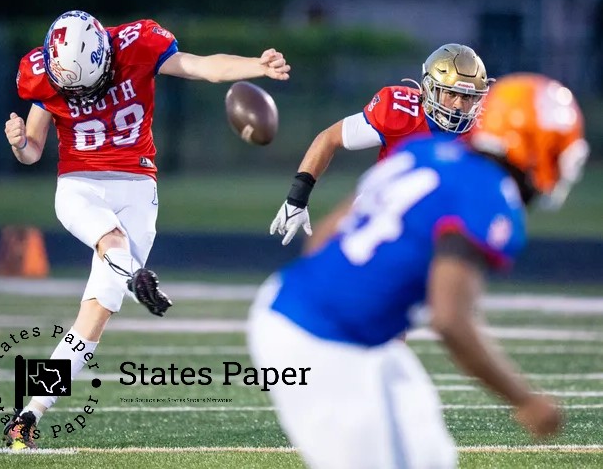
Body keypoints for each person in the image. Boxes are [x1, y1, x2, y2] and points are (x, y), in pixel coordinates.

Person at [248, 73, 590, 468]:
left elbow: (323, 239)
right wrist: (526, 401)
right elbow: (450, 320)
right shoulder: (490, 199)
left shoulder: (423, 153)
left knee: (430, 454)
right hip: (321, 340)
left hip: (311, 311)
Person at [2, 9, 290, 450]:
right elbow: (34, 151)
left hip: (137, 187)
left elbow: (200, 66)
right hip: (78, 186)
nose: (80, 94)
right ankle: (136, 278)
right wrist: (22, 144)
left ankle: (28, 414)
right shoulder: (46, 70)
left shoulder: (137, 44)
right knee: (113, 244)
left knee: (93, 318)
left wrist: (256, 65)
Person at [270, 43, 492, 245]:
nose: (458, 105)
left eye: (467, 97)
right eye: (451, 93)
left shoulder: (484, 131)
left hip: (436, 224)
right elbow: (329, 138)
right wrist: (297, 199)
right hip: (380, 214)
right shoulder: (399, 112)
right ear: (428, 88)